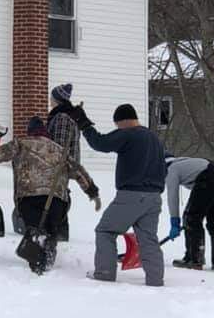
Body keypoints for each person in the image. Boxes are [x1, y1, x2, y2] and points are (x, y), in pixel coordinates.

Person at [66, 102, 166, 287]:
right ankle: (155, 280)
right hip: (154, 197)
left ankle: (104, 273)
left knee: (105, 231)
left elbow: (100, 143)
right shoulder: (153, 138)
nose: (117, 129)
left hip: (131, 196)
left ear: (122, 121)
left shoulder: (128, 134)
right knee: (148, 239)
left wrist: (84, 124)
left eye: (117, 125)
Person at [0, 115, 101, 273]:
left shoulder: (20, 144)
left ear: (30, 131)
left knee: (34, 228)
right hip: (56, 200)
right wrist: (92, 192)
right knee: (51, 229)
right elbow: (78, 172)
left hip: (28, 198)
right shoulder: (60, 150)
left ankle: (37, 261)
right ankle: (48, 257)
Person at [164, 157, 214, 271]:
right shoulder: (187, 163)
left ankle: (194, 259)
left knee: (191, 219)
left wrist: (174, 221)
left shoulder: (170, 169)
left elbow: (173, 196)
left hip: (210, 178)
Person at [46, 82, 80, 242]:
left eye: (51, 97)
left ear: (57, 99)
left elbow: (59, 145)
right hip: (62, 165)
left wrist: (52, 164)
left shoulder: (62, 118)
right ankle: (58, 231)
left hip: (60, 165)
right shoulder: (63, 115)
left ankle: (58, 231)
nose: (49, 100)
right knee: (58, 196)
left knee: (57, 197)